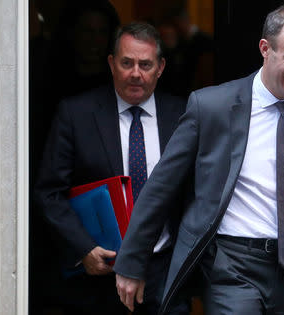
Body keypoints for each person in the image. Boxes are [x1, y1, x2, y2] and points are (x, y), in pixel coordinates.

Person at [114, 5, 284, 315]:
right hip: (230, 265)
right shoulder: (211, 106)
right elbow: (161, 185)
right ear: (265, 49)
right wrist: (133, 262)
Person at [34, 22, 189, 315]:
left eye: (145, 64)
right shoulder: (75, 114)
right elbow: (49, 192)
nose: (135, 73)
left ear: (161, 67)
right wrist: (83, 249)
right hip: (99, 276)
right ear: (111, 63)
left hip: (165, 275)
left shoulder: (185, 115)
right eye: (126, 63)